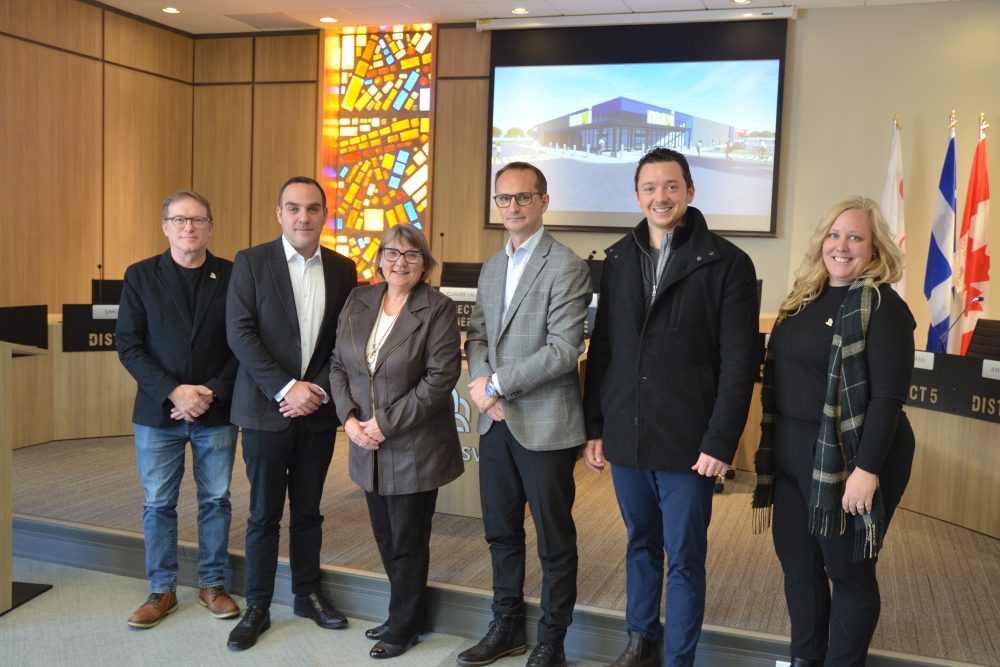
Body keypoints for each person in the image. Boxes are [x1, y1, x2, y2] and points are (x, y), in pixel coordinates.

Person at [582, 147, 760, 667]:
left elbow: (739, 363)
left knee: (684, 557)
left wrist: (720, 441)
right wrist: (596, 425)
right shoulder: (618, 258)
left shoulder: (728, 262)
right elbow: (605, 349)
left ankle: (679, 659)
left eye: (671, 186)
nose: (660, 196)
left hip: (690, 443)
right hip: (629, 432)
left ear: (690, 191)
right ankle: (641, 642)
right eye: (650, 188)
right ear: (638, 195)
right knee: (640, 543)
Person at [752, 196, 915, 667]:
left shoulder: (882, 306)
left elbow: (887, 399)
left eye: (855, 237)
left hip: (851, 460)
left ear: (875, 248)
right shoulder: (804, 296)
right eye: (834, 235)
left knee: (848, 572)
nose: (841, 246)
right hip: (792, 457)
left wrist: (866, 470)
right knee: (798, 568)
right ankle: (805, 659)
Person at [459, 162, 591, 667]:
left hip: (545, 424)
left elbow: (564, 349)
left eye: (523, 197)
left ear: (543, 202)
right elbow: (477, 336)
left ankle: (552, 641)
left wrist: (495, 384)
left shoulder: (566, 265)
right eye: (504, 198)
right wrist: (482, 386)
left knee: (555, 540)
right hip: (495, 420)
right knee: (501, 533)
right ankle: (507, 627)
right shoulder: (493, 266)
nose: (512, 206)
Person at [225, 176, 357, 650]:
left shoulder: (343, 267)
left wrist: (314, 389)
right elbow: (240, 333)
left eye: (313, 208)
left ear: (324, 215)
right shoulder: (251, 262)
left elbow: (344, 338)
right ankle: (258, 605)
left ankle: (307, 594)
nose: (304, 217)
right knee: (263, 514)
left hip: (316, 412)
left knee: (308, 512)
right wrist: (286, 387)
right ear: (279, 213)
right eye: (294, 208)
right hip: (266, 410)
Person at [329, 224, 463, 660]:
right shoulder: (358, 299)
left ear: (424, 263)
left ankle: (403, 626)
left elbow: (440, 378)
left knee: (407, 540)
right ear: (379, 258)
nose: (399, 262)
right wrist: (349, 419)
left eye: (410, 254)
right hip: (365, 443)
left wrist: (384, 424)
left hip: (414, 446)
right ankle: (405, 613)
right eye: (391, 253)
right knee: (385, 537)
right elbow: (337, 364)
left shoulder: (437, 307)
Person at [117, 190, 240, 629]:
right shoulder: (140, 275)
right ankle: (162, 589)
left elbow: (242, 342)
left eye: (198, 219)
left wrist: (209, 392)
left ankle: (212, 584)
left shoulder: (233, 275)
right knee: (158, 503)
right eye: (180, 220)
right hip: (158, 412)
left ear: (211, 226)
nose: (189, 227)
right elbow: (129, 345)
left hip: (216, 410)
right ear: (165, 227)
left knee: (216, 500)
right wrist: (175, 392)